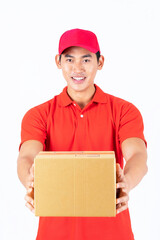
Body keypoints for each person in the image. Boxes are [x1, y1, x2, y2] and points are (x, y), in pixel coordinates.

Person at [17, 28, 148, 240]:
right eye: (69, 59)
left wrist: (127, 181)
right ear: (58, 62)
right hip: (55, 234)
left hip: (113, 233)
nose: (77, 68)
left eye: (86, 60)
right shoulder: (38, 115)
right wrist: (30, 180)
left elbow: (137, 155)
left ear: (100, 62)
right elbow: (26, 156)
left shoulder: (124, 110)